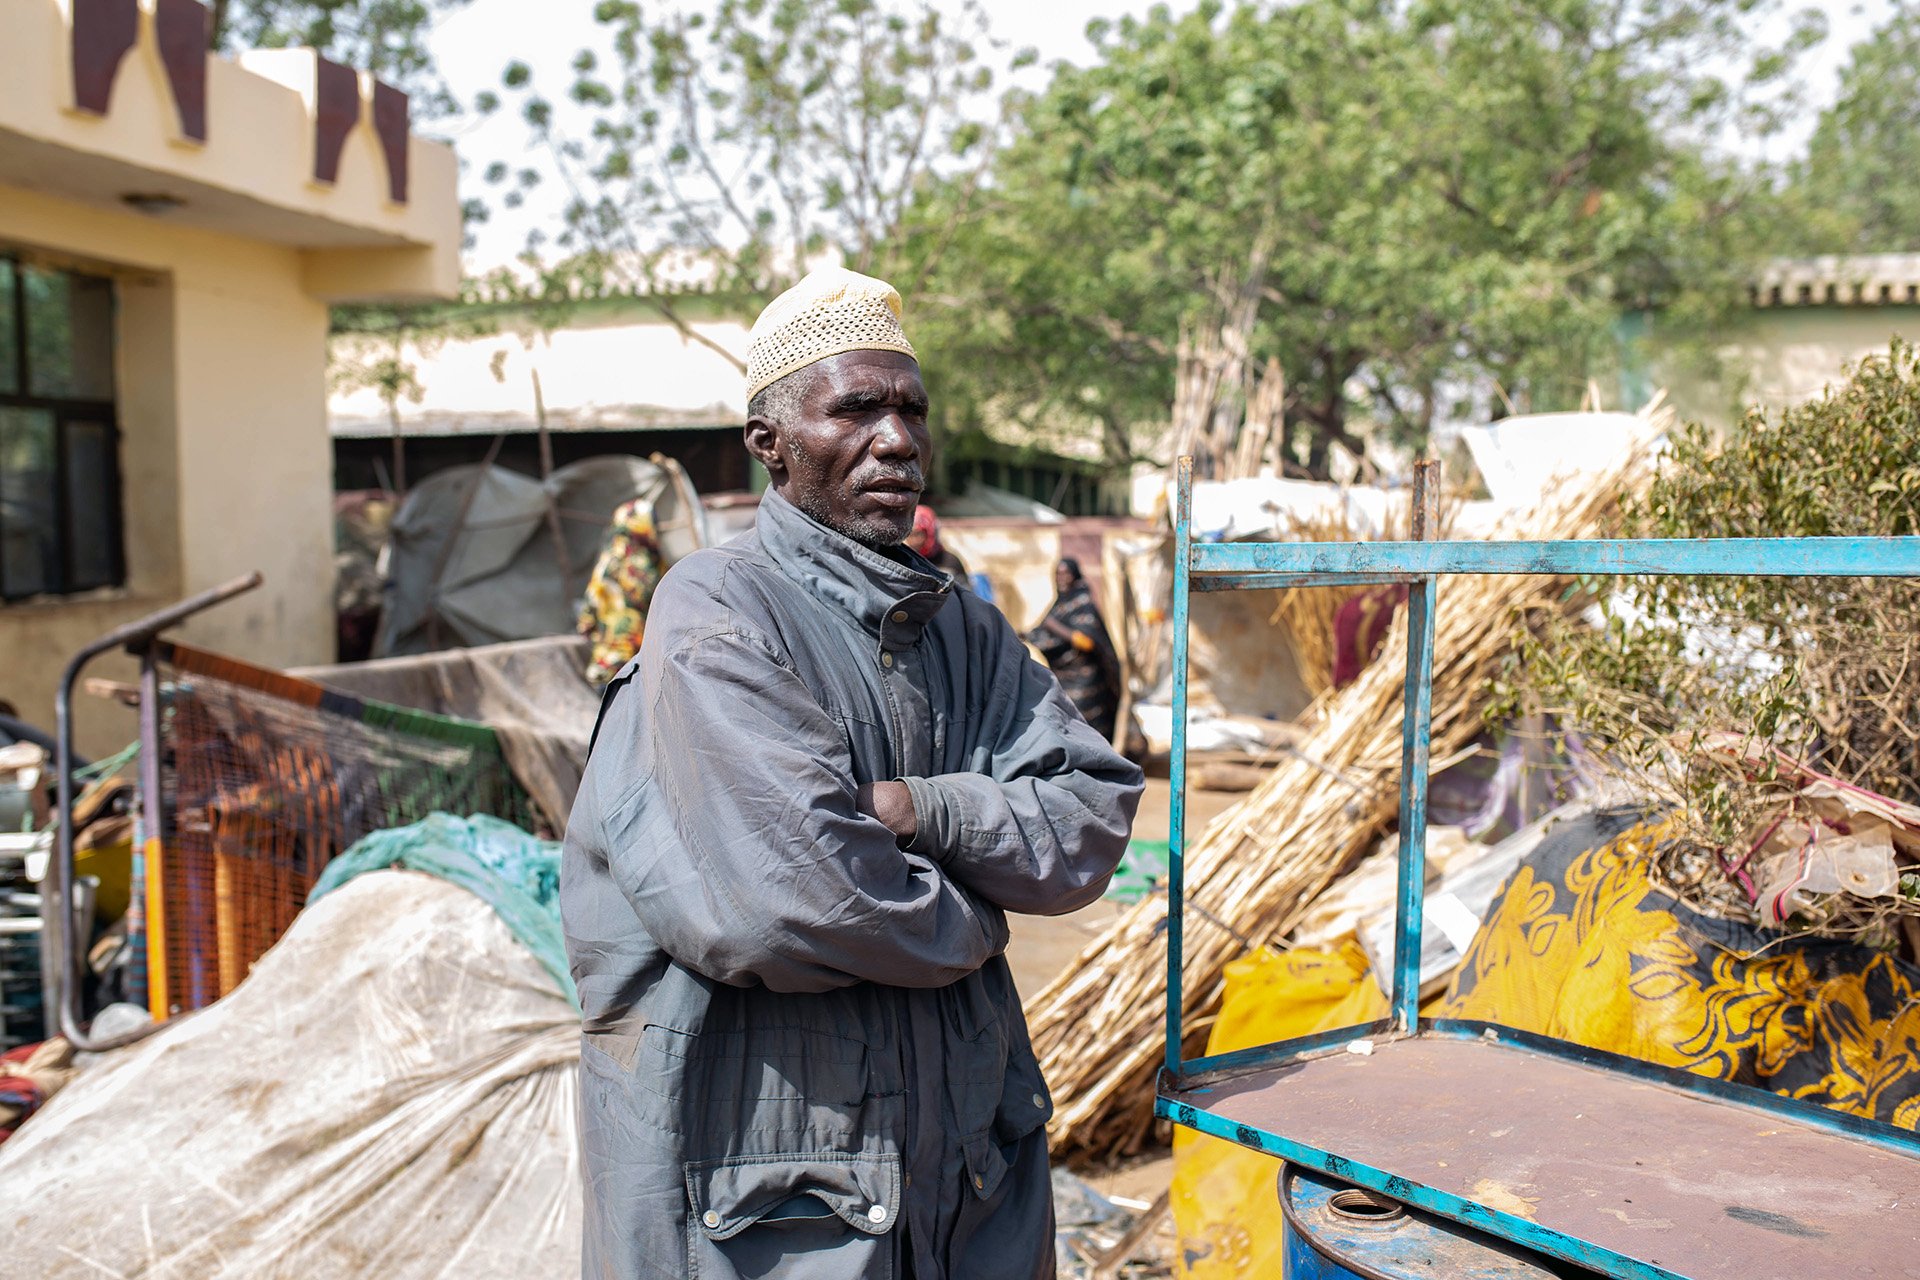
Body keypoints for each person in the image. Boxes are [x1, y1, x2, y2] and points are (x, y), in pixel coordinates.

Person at [561, 266, 1143, 1280]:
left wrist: (924, 808)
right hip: (772, 1203)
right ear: (770, 442)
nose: (897, 440)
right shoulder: (718, 613)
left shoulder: (959, 623)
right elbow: (789, 903)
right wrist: (975, 914)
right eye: (858, 408)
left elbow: (1089, 817)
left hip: (961, 1179)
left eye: (912, 409)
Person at [1025, 558, 1124, 744]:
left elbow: (1086, 642)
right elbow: (1041, 632)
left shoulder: (1083, 602)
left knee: (1086, 728)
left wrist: (1054, 627)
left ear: (1075, 576)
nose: (1061, 578)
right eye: (1058, 574)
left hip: (1087, 681)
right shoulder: (1059, 605)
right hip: (1063, 680)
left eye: (1066, 574)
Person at [576, 497, 665, 686]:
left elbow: (588, 610)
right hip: (633, 663)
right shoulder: (643, 563)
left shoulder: (607, 558)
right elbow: (656, 603)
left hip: (604, 662)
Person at [903, 503, 969, 581]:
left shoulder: (949, 562)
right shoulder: (903, 561)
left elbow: (963, 590)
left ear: (932, 532)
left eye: (919, 534)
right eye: (910, 534)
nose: (915, 541)